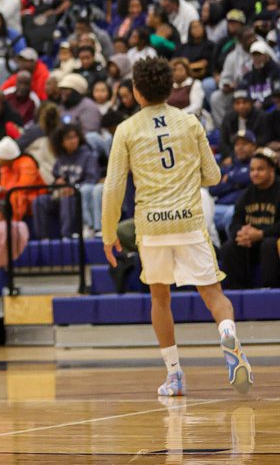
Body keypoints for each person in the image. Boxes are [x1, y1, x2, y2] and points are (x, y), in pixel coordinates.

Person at [102, 56, 252, 397]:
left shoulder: (126, 129)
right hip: (188, 219)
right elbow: (213, 176)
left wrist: (108, 235)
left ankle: (175, 375)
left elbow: (113, 188)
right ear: (171, 88)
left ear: (136, 92)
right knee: (214, 295)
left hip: (151, 225)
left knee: (160, 297)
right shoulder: (189, 122)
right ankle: (227, 332)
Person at [218, 147, 280, 288]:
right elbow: (235, 222)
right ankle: (235, 291)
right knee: (229, 246)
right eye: (252, 170)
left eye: (260, 169)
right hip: (251, 242)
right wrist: (241, 234)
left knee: (268, 244)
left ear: (272, 170)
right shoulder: (247, 194)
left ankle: (270, 290)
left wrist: (261, 234)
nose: (255, 173)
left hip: (271, 241)